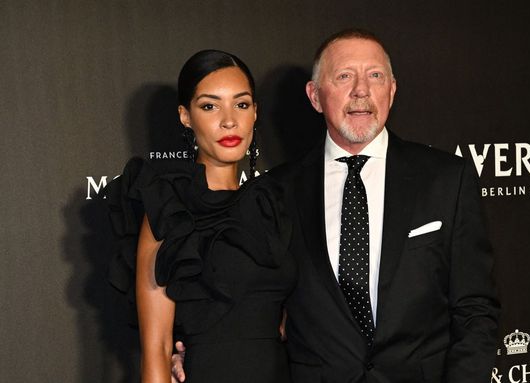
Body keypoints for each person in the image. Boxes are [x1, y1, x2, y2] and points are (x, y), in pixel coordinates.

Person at [174, 29, 500, 382]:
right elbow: (249, 300)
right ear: (315, 96)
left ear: (391, 89)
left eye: (375, 76)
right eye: (344, 76)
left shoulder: (447, 179)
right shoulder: (273, 192)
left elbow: (475, 308)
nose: (361, 90)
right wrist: (201, 356)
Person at [107, 50, 295, 383]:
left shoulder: (274, 202)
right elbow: (158, 350)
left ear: (255, 113)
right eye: (210, 106)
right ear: (185, 116)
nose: (229, 120)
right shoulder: (169, 208)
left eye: (241, 104)